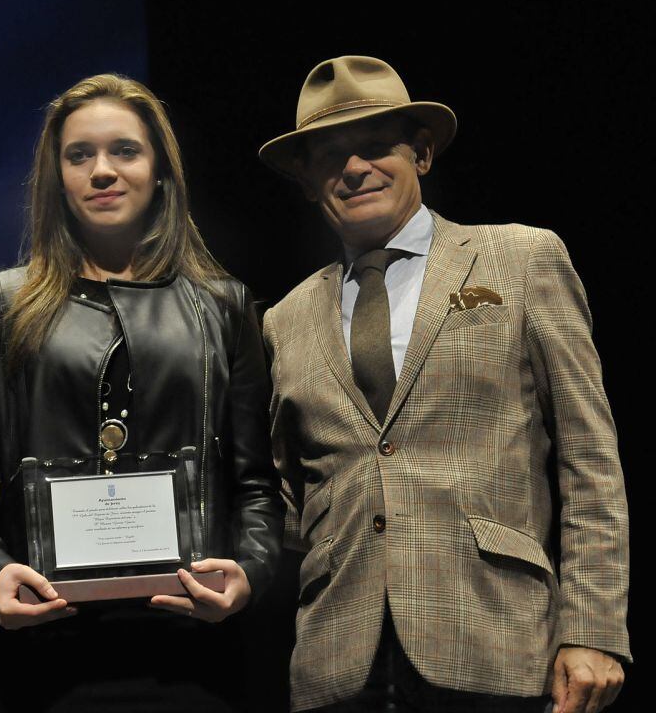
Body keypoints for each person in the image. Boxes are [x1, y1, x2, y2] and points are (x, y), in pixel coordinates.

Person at [258, 55, 631, 712]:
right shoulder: (283, 321)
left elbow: (590, 456)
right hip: (337, 663)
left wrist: (594, 628)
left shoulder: (521, 258)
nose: (354, 167)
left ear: (422, 154)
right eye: (330, 155)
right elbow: (291, 489)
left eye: (377, 146)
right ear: (307, 179)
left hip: (494, 642)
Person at [0, 73, 283, 711]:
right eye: (79, 155)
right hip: (49, 647)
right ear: (56, 177)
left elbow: (257, 479)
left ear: (161, 172)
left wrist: (251, 575)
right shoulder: (0, 305)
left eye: (125, 150)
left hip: (196, 649)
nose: (102, 171)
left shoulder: (225, 307)